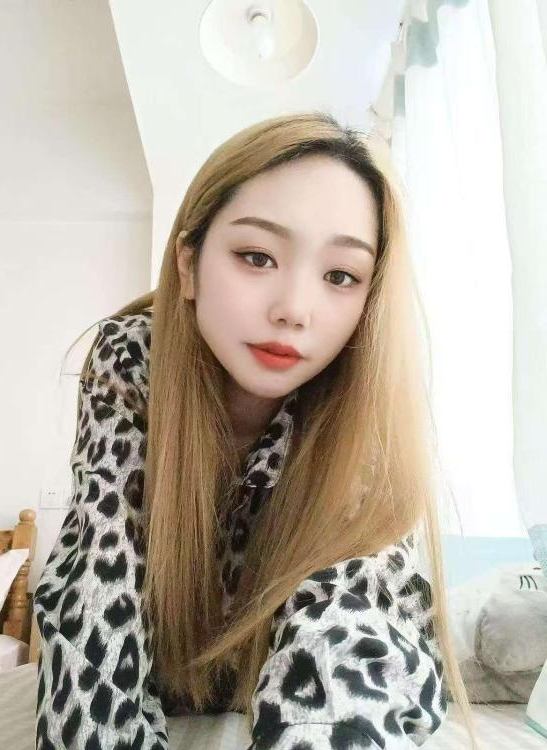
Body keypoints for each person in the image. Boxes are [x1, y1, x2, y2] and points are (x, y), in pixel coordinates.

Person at [34, 112, 479, 749]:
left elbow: (348, 625)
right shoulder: (131, 361)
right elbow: (98, 582)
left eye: (340, 276)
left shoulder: (363, 399)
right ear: (188, 263)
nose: (294, 310)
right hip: (169, 675)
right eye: (256, 257)